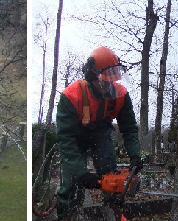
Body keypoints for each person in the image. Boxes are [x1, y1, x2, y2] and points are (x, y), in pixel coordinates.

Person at [55, 46, 143, 219]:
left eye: (111, 80)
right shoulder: (71, 96)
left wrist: (135, 155)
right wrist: (82, 173)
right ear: (91, 76)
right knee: (71, 181)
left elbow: (129, 128)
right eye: (103, 81)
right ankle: (67, 213)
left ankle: (113, 210)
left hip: (101, 133)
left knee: (111, 176)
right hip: (76, 137)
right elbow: (65, 138)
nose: (108, 85)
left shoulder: (121, 95)